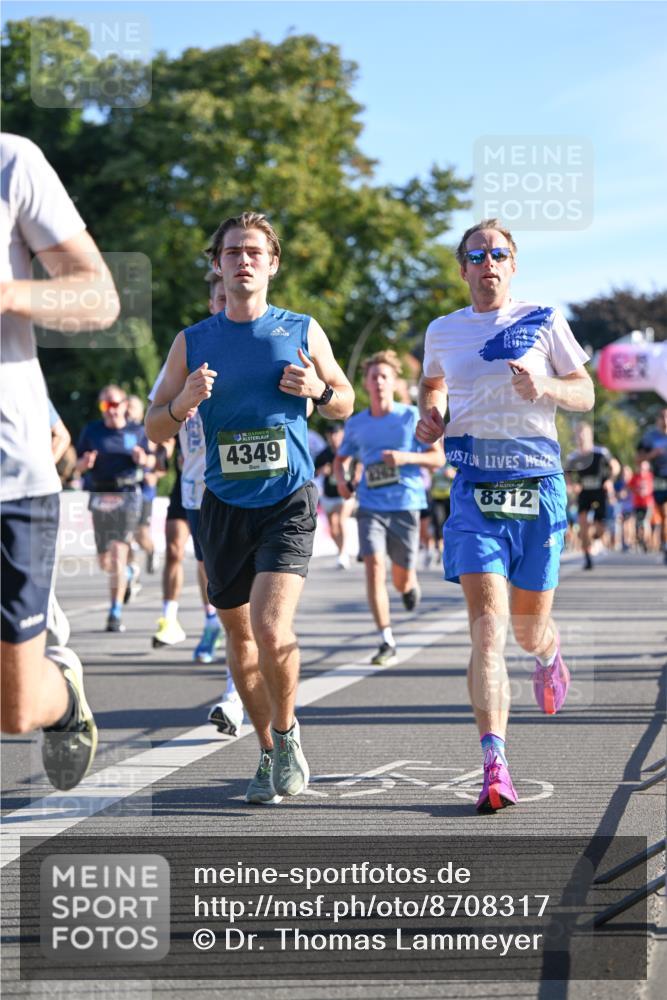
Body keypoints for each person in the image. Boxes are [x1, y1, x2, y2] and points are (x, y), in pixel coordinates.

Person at [146, 212, 354, 803]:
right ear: (218, 264)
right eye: (233, 251)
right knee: (238, 637)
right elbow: (154, 425)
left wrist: (319, 391)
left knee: (269, 626)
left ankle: (287, 734)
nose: (243, 260)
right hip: (222, 504)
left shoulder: (301, 329)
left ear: (272, 264)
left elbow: (344, 400)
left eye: (254, 252)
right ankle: (267, 748)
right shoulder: (192, 341)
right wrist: (182, 403)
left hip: (288, 499)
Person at [416, 218, 593, 814]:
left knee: (525, 629)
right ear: (462, 268)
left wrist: (546, 386)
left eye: (498, 254)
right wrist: (432, 416)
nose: (487, 263)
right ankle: (495, 762)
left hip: (537, 486)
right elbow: (432, 384)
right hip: (474, 490)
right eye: (476, 255)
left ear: (513, 265)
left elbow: (585, 392)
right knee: (488, 628)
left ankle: (547, 653)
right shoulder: (443, 330)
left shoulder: (543, 319)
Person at [1, 132, 119, 790]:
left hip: (11, 477)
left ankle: (64, 696)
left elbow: (98, 297)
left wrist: (8, 293)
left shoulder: (11, 161)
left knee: (15, 708)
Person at [150, 273, 243, 736]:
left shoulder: (266, 343)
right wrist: (178, 408)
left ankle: (234, 696)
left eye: (232, 295)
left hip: (258, 491)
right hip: (200, 492)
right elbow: (156, 424)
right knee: (223, 593)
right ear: (211, 302)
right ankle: (220, 642)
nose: (227, 302)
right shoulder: (187, 352)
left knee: (252, 601)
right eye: (220, 297)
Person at [334, 350, 444, 665]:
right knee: (373, 567)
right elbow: (341, 459)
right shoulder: (356, 423)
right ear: (366, 383)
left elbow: (437, 458)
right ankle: (386, 638)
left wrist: (404, 458)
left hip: (406, 505)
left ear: (394, 382)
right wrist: (342, 481)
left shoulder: (410, 416)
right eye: (374, 377)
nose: (379, 381)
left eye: (385, 376)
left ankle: (409, 586)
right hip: (370, 505)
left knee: (400, 579)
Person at [76, 384, 155, 632]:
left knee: (119, 552)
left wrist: (144, 459)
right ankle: (128, 574)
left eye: (114, 404)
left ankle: (115, 613)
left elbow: (153, 460)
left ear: (124, 405)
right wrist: (85, 463)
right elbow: (77, 466)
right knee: (105, 561)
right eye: (105, 405)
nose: (110, 410)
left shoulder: (137, 431)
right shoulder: (92, 431)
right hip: (100, 494)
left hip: (128, 495)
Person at [565, 422, 614, 570]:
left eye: (584, 435)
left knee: (600, 529)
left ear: (590, 436)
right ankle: (587, 558)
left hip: (599, 492)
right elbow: (567, 474)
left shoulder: (601, 452)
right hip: (584, 493)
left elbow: (615, 466)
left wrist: (610, 481)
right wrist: (571, 485)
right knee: (583, 525)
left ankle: (596, 536)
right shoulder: (573, 457)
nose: (581, 438)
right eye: (579, 435)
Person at [313, 422, 355, 569]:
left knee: (341, 520)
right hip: (329, 495)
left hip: (346, 494)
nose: (333, 437)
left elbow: (360, 465)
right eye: (331, 435)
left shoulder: (350, 450)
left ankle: (343, 554)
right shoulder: (324, 454)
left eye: (336, 434)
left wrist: (355, 480)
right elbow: (313, 472)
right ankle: (341, 551)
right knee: (333, 527)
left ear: (342, 434)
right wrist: (321, 471)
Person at [126, 394, 158, 575]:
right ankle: (131, 572)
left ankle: (151, 550)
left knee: (140, 534)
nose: (128, 410)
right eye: (126, 406)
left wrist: (154, 474)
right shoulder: (118, 431)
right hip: (125, 491)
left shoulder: (147, 431)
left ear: (141, 412)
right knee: (124, 536)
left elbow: (160, 460)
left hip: (144, 491)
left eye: (132, 407)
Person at [638, 408, 667, 564]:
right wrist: (651, 455)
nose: (665, 420)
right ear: (658, 420)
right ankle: (664, 544)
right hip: (658, 480)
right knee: (662, 516)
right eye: (663, 417)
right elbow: (638, 458)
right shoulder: (650, 438)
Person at [628, 459, 654, 552]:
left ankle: (648, 543)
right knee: (637, 524)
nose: (642, 470)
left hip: (648, 504)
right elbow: (630, 486)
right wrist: (636, 491)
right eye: (641, 468)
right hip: (637, 504)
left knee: (645, 522)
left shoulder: (650, 476)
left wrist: (645, 492)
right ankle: (640, 541)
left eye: (644, 468)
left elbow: (651, 488)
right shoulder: (636, 476)